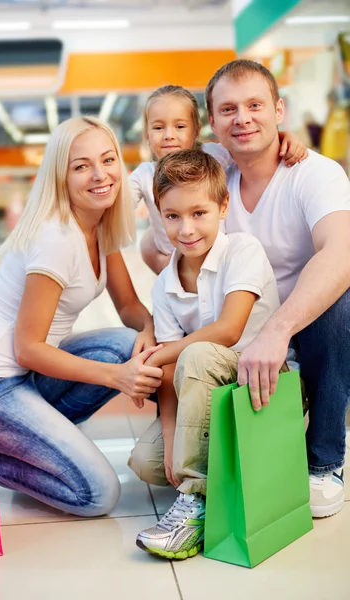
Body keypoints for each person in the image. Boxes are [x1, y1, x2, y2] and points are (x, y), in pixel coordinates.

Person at [0, 116, 164, 518]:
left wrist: (150, 329)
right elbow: (27, 348)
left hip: (26, 378)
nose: (100, 175)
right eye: (81, 166)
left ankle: (37, 442)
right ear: (60, 177)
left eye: (107, 160)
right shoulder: (56, 239)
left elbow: (129, 309)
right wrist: (117, 378)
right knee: (98, 494)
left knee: (124, 344)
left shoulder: (100, 224)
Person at [204, 59, 350, 518]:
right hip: (239, 336)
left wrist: (279, 329)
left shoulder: (315, 173)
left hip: (307, 334)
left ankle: (325, 458)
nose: (242, 118)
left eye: (254, 105)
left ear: (279, 110)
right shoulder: (213, 177)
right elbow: (158, 251)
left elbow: (342, 253)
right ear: (212, 121)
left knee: (340, 299)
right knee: (155, 468)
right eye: (228, 109)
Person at [129, 149, 281, 559]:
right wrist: (171, 432)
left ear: (223, 206)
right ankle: (215, 473)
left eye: (199, 213)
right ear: (159, 214)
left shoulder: (242, 250)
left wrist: (156, 356)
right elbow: (169, 372)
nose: (186, 229)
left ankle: (195, 504)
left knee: (196, 353)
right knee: (147, 462)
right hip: (202, 393)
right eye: (172, 216)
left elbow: (229, 331)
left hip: (259, 384)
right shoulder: (164, 285)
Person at [130, 84, 308, 275]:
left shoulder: (213, 155)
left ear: (196, 130)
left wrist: (284, 137)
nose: (169, 135)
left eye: (180, 126)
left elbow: (254, 147)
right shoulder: (144, 175)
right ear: (146, 134)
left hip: (219, 264)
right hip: (174, 268)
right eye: (158, 127)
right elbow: (118, 204)